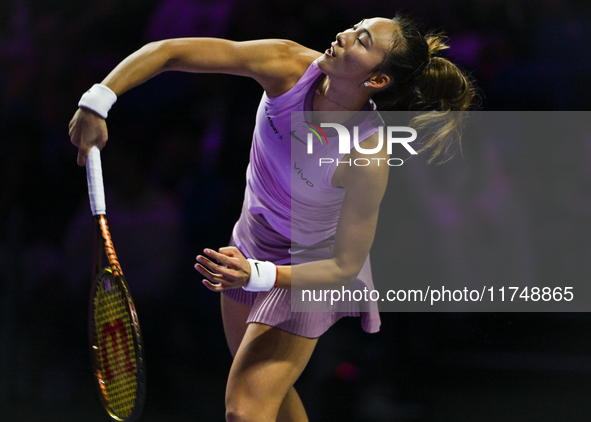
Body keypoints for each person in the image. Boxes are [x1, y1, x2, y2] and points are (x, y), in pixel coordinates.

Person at [69, 14, 476, 422]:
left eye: (362, 40)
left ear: (377, 80)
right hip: (249, 247)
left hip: (308, 271)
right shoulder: (287, 65)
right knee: (272, 401)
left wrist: (259, 275)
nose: (344, 35)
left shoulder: (367, 154)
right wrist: (98, 100)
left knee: (244, 411)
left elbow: (344, 266)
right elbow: (171, 51)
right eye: (355, 26)